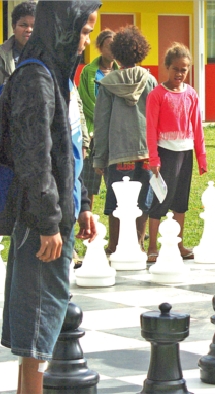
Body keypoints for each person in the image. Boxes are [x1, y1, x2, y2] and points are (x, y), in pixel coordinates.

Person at [0, 1, 99, 392]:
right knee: (39, 323)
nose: (86, 42)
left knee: (41, 328)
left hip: (58, 216)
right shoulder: (35, 78)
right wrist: (48, 223)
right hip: (43, 222)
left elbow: (69, 151)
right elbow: (33, 159)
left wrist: (84, 203)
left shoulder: (61, 77)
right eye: (83, 31)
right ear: (60, 28)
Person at [93, 26, 157, 255]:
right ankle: (138, 245)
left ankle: (113, 246)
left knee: (115, 200)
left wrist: (99, 158)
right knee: (143, 200)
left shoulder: (108, 85)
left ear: (117, 55)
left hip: (117, 154)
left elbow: (101, 123)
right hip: (145, 153)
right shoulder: (150, 81)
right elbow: (156, 118)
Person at [145, 42, 207, 262]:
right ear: (167, 67)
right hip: (165, 153)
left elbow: (197, 126)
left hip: (186, 151)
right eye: (176, 69)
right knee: (161, 199)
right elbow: (150, 128)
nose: (180, 73)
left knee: (181, 200)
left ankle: (179, 244)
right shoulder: (157, 95)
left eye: (184, 69)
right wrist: (154, 158)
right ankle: (152, 245)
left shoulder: (191, 94)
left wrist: (202, 155)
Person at [78, 29, 118, 209]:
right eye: (109, 46)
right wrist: (101, 121)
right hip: (94, 131)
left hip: (116, 133)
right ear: (100, 48)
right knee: (89, 181)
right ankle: (88, 217)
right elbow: (85, 100)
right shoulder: (89, 72)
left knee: (116, 181)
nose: (112, 50)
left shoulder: (121, 72)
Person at [0, 1, 36, 105]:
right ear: (13, 27)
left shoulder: (50, 58)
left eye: (33, 26)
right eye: (23, 25)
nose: (29, 30)